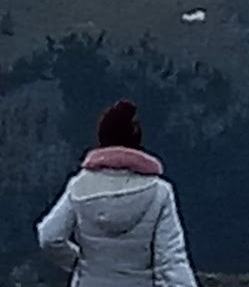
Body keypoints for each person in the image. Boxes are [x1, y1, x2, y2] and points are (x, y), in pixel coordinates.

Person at [36, 100, 198, 287]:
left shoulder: (79, 187)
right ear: (136, 140)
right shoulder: (159, 192)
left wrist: (79, 263)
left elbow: (49, 237)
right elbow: (171, 261)